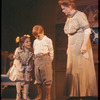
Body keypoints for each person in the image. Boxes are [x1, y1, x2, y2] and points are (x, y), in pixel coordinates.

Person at [58, 0, 98, 100]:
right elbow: (69, 34)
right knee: (73, 71)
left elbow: (87, 30)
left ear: (70, 6)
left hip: (80, 46)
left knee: (81, 70)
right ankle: (75, 94)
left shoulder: (80, 15)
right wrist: (68, 47)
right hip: (72, 47)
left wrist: (84, 45)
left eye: (63, 8)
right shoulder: (69, 18)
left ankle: (84, 95)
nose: (63, 11)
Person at [7, 34, 34, 100]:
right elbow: (17, 61)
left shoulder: (31, 50)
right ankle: (18, 94)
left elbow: (31, 61)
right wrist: (21, 69)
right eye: (27, 42)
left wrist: (28, 69)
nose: (29, 43)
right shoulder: (18, 50)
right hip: (18, 67)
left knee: (27, 80)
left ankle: (25, 95)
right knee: (19, 79)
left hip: (27, 66)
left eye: (29, 41)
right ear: (22, 44)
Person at [32, 25, 54, 100]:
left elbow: (51, 51)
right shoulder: (35, 41)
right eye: (35, 36)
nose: (37, 37)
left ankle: (48, 96)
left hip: (45, 58)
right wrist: (35, 60)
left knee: (47, 77)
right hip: (37, 59)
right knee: (38, 77)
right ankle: (39, 95)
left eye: (38, 35)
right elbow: (35, 50)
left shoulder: (48, 40)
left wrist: (49, 60)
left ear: (43, 32)